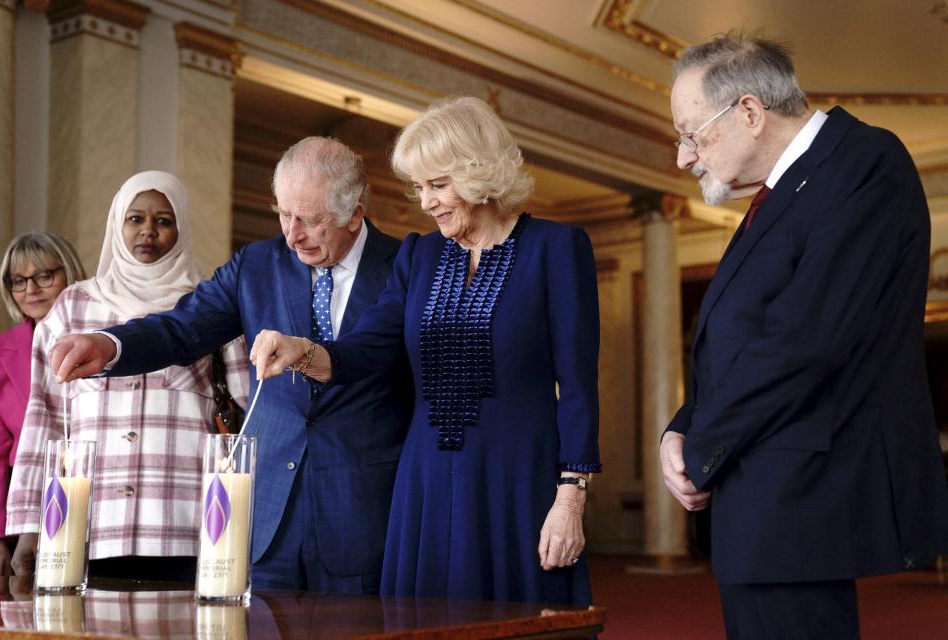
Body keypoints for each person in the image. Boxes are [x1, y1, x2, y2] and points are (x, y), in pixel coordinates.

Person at [248, 96, 602, 605]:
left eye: (439, 184)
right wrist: (301, 349)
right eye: (420, 187)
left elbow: (578, 385)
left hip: (517, 480)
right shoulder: (420, 253)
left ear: (481, 174)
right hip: (425, 482)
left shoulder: (557, 248)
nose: (427, 201)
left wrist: (571, 495)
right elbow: (366, 351)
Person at [659, 32, 948, 639]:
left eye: (690, 133)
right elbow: (749, 339)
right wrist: (681, 426)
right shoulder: (784, 192)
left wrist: (701, 444)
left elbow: (805, 339)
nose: (684, 157)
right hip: (765, 495)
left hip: (800, 500)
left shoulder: (862, 161)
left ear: (748, 112)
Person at [44, 139, 411, 593]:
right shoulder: (256, 265)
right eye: (284, 214)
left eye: (311, 221)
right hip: (266, 517)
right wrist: (109, 344)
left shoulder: (406, 266)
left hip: (364, 511)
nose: (292, 235)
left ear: (355, 214)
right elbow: (182, 328)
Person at [6, 171, 249, 582]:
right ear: (117, 224)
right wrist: (29, 521)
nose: (148, 232)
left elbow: (246, 415)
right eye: (135, 219)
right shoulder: (72, 308)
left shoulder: (210, 306)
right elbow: (44, 419)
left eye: (164, 221)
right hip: (86, 531)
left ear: (182, 228)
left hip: (189, 528)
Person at [0, 232, 85, 577]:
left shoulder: (105, 339)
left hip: (91, 497)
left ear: (69, 274)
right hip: (23, 506)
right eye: (19, 281)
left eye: (45, 275)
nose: (31, 289)